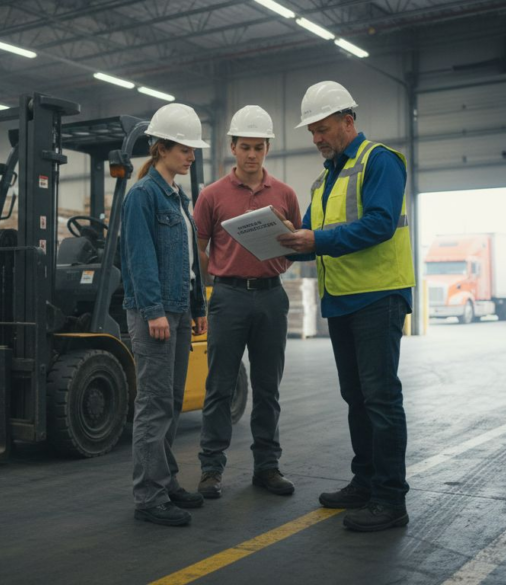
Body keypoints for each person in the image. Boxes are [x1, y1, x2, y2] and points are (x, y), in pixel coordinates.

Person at [276, 81, 415, 532]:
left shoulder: (380, 161)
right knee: (357, 398)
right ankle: (365, 481)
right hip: (342, 301)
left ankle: (391, 499)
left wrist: (313, 239)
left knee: (380, 399)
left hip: (377, 298)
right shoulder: (325, 179)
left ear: (348, 121)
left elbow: (377, 225)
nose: (316, 138)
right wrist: (276, 240)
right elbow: (311, 239)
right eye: (312, 132)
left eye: (323, 129)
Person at [193, 105, 301, 499]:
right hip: (229, 297)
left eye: (258, 147)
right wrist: (219, 272)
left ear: (267, 148)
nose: (252, 154)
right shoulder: (211, 196)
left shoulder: (285, 195)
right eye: (245, 147)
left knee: (267, 387)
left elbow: (296, 247)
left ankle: (267, 468)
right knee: (220, 386)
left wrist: (284, 245)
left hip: (272, 296)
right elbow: (199, 245)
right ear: (233, 148)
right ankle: (210, 470)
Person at [121, 103, 210, 527]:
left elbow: (190, 260)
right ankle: (149, 496)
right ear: (161, 148)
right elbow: (140, 259)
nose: (191, 155)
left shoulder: (178, 196)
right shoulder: (142, 195)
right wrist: (154, 310)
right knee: (154, 405)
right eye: (185, 148)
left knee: (172, 402)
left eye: (193, 148)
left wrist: (197, 307)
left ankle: (167, 479)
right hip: (152, 313)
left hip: (177, 310)